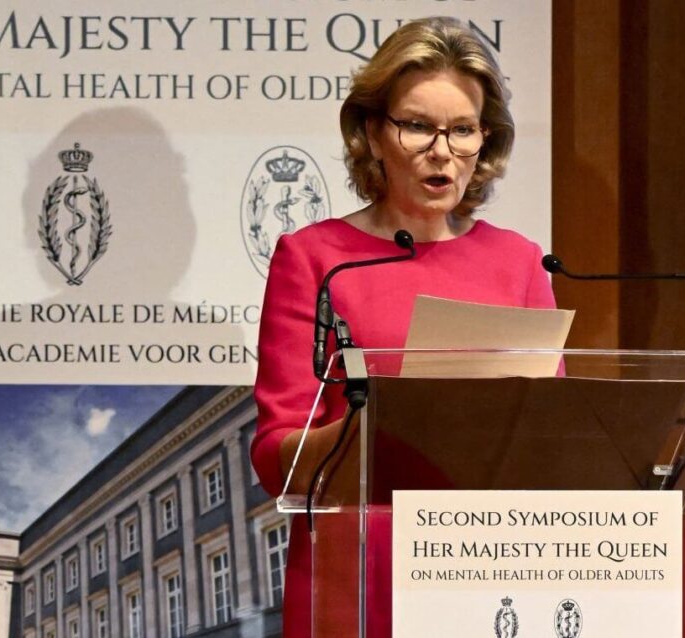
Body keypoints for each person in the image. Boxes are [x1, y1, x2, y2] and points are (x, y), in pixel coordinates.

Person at [250, 16, 557, 638]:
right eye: (418, 126)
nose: (443, 152)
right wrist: (379, 426)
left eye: (464, 130)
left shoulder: (521, 262)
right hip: (360, 581)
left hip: (493, 578)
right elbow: (275, 456)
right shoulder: (315, 257)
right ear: (372, 131)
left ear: (485, 140)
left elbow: (552, 437)